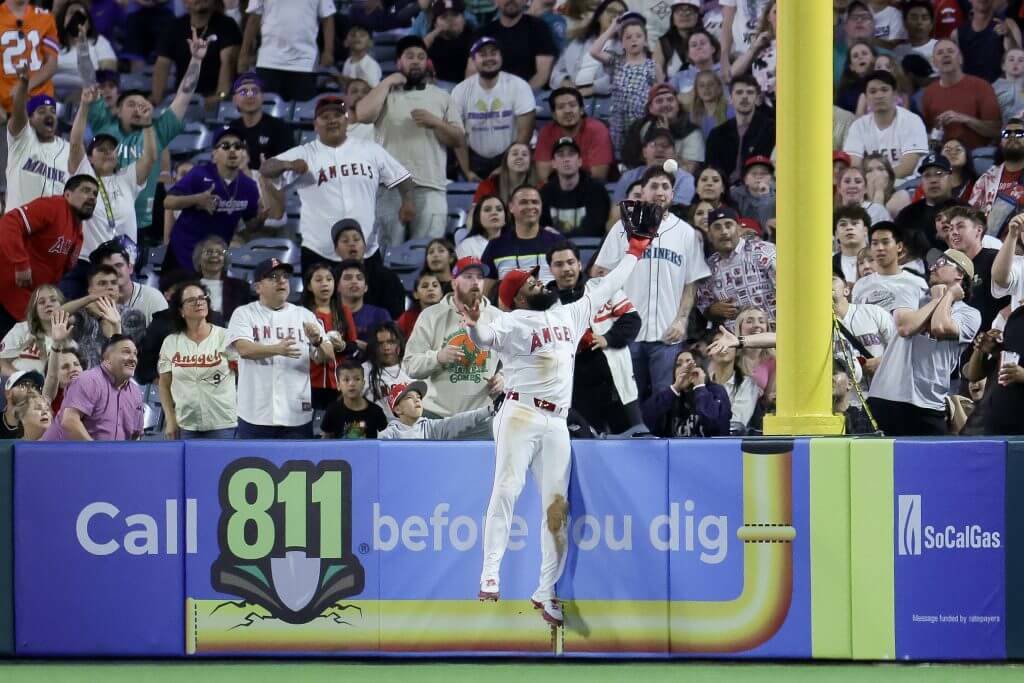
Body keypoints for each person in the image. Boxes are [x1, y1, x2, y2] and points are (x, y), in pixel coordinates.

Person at [467, 216, 655, 626]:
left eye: (537, 280)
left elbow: (607, 285)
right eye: (531, 283)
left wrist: (636, 249)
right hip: (519, 412)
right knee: (507, 489)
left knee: (557, 509)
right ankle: (490, 575)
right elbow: (484, 335)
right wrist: (476, 320)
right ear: (517, 298)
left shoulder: (569, 315)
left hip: (555, 422)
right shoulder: (513, 321)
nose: (540, 283)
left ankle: (545, 590)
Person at [85, 29, 212, 242]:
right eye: (131, 104)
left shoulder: (157, 131)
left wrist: (196, 60)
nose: (139, 109)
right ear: (117, 110)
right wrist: (81, 46)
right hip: (103, 217)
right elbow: (88, 79)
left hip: (142, 221)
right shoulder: (104, 125)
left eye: (143, 105)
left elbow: (184, 95)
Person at [261, 95, 413, 270]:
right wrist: (288, 164)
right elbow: (266, 168)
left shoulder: (370, 150)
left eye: (337, 115)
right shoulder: (304, 153)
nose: (332, 121)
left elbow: (402, 177)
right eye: (325, 117)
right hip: (319, 251)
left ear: (346, 120)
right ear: (315, 125)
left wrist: (408, 201)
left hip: (366, 249)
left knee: (369, 297)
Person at [596, 165, 709, 399]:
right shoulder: (622, 228)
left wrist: (681, 320)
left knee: (665, 400)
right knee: (627, 401)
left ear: (672, 194)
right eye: (654, 186)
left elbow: (691, 282)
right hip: (627, 335)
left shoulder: (686, 233)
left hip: (668, 334)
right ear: (643, 192)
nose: (660, 191)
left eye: (665, 186)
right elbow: (600, 273)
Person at [356, 35, 465, 244]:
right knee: (387, 252)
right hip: (389, 186)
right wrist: (388, 81)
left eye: (421, 57)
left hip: (431, 186)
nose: (416, 61)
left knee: (427, 254)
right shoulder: (384, 93)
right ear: (399, 62)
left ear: (427, 63)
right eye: (409, 56)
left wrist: (437, 123)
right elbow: (362, 115)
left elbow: (459, 140)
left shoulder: (442, 96)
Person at [867, 249, 981, 436]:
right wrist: (939, 299)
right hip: (886, 396)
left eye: (942, 264)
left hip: (929, 402)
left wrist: (950, 295)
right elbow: (905, 327)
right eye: (933, 264)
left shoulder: (969, 314)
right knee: (882, 464)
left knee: (931, 464)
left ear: (960, 274)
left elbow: (940, 327)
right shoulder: (911, 292)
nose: (933, 267)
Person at [226, 258, 333, 439]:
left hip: (296, 415)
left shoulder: (304, 315)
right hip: (254, 414)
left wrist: (318, 341)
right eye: (273, 277)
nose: (282, 281)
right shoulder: (244, 313)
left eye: (285, 276)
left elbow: (327, 356)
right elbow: (244, 349)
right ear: (258, 287)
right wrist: (277, 349)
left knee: (297, 466)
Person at [546, 242, 641, 434]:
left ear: (580, 264)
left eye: (570, 262)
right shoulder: (545, 303)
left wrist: (608, 338)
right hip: (575, 391)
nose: (566, 269)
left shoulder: (601, 286)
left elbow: (632, 319)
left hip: (616, 385)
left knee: (634, 442)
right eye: (559, 264)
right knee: (586, 448)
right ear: (551, 269)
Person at [65, 86, 155, 288]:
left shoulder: (127, 177)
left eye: (111, 149)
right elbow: (75, 143)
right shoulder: (84, 176)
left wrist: (148, 125)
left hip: (123, 264)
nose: (108, 153)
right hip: (88, 262)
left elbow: (149, 159)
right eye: (101, 149)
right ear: (90, 157)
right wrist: (85, 106)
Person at [404, 256, 503, 432]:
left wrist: (504, 378)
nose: (475, 282)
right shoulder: (430, 316)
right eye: (468, 276)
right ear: (453, 283)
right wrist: (438, 357)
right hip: (436, 416)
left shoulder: (498, 318)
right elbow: (411, 365)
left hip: (481, 418)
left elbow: (517, 362)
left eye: (479, 277)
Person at [0, 175, 97, 338]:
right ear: (67, 194)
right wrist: (21, 262)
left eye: (95, 194)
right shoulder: (53, 206)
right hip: (5, 293)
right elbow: (9, 223)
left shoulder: (78, 232)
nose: (92, 197)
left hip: (24, 307)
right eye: (86, 190)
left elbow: (58, 274)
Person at [163, 127, 267, 270]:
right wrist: (196, 199)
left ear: (244, 154)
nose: (232, 150)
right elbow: (168, 202)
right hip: (182, 252)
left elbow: (250, 226)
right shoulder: (199, 174)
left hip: (215, 258)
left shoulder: (249, 186)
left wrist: (260, 220)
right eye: (225, 146)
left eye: (238, 146)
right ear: (214, 154)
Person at [158, 281, 238, 440]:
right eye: (191, 300)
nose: (199, 302)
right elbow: (164, 384)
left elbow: (243, 375)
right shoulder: (171, 342)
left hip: (223, 424)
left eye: (202, 298)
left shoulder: (225, 336)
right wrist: (170, 419)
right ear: (181, 310)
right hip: (185, 424)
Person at [452, 37, 536, 181]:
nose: (489, 58)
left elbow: (525, 133)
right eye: (483, 55)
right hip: (473, 159)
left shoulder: (519, 86)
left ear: (501, 57)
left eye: (493, 53)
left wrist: (506, 166)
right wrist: (466, 171)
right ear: (473, 60)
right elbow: (457, 135)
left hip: (510, 155)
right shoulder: (460, 90)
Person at [41, 334, 143, 441]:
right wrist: (97, 454)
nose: (133, 359)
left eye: (135, 354)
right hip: (56, 454)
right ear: (107, 358)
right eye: (126, 352)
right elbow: (69, 421)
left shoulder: (135, 392)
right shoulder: (88, 380)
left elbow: (135, 436)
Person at [589, 12, 661, 156]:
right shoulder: (616, 61)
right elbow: (594, 51)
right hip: (618, 121)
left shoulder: (652, 66)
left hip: (642, 121)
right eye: (628, 37)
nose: (633, 40)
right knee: (621, 158)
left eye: (638, 36)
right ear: (622, 42)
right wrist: (611, 29)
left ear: (645, 40)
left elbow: (659, 93)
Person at [696, 205, 777, 331]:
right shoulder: (707, 268)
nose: (724, 231)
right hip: (738, 343)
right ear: (710, 236)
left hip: (775, 336)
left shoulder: (764, 251)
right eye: (717, 227)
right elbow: (704, 308)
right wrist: (713, 310)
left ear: (739, 230)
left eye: (729, 225)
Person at [237, 0, 336, 102]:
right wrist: (244, 54)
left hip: (304, 62)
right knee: (267, 110)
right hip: (269, 61)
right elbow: (254, 18)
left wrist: (328, 51)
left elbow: (328, 18)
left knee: (302, 111)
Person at [843, 69, 928, 183]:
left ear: (895, 94)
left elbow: (908, 167)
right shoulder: (858, 126)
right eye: (873, 91)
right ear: (866, 98)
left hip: (907, 183)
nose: (879, 95)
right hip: (869, 184)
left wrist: (880, 181)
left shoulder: (912, 121)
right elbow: (854, 164)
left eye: (884, 90)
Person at [151, 0, 241, 107]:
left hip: (216, 101)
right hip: (182, 99)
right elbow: (162, 64)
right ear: (184, 2)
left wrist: (219, 97)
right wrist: (157, 99)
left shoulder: (227, 25)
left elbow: (229, 62)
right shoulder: (173, 27)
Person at [6, 65, 68, 215]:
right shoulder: (22, 140)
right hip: (17, 226)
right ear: (30, 119)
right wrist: (24, 84)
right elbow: (19, 112)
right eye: (41, 112)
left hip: (50, 230)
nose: (49, 115)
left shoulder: (68, 149)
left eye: (53, 111)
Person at [921, 38, 1002, 152]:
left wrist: (965, 119)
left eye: (950, 51)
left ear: (960, 58)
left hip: (976, 156)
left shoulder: (981, 86)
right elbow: (927, 134)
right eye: (940, 53)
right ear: (934, 62)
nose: (946, 55)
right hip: (942, 157)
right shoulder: (929, 92)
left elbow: (996, 131)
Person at [481, 185, 564, 288]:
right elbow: (486, 290)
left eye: (535, 202)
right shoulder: (495, 246)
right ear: (511, 207)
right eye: (523, 202)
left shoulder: (558, 242)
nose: (530, 207)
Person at [301, 262, 359, 410]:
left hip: (339, 383)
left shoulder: (343, 311)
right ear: (308, 286)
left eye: (329, 279)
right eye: (318, 280)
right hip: (309, 382)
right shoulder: (302, 314)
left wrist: (342, 346)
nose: (325, 284)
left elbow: (352, 345)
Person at [943, 205, 1009, 331]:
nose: (953, 232)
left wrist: (1000, 325)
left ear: (978, 230)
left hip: (994, 343)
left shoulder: (995, 259)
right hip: (964, 345)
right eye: (951, 228)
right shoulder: (951, 270)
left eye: (960, 226)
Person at [642, 349, 731, 437]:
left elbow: (716, 426)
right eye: (678, 364)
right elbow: (650, 420)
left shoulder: (716, 391)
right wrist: (674, 389)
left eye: (689, 363)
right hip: (676, 450)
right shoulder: (670, 395)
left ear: (699, 368)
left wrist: (699, 387)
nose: (684, 367)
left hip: (708, 450)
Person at [621, 82, 705, 175]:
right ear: (651, 108)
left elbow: (688, 171)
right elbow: (630, 163)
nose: (665, 104)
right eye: (659, 101)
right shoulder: (641, 128)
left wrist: (667, 138)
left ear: (678, 106)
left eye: (670, 99)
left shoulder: (692, 133)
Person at [331, 218, 406, 320]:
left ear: (365, 246)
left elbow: (397, 317)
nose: (352, 244)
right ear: (336, 250)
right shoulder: (331, 279)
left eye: (356, 239)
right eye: (345, 241)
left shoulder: (387, 277)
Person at [706, 75, 776, 184]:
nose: (744, 96)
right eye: (739, 92)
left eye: (750, 92)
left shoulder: (772, 129)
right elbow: (711, 171)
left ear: (757, 98)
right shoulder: (717, 134)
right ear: (730, 99)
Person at [534, 87, 614, 183]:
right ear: (554, 115)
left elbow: (598, 176)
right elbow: (544, 176)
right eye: (561, 107)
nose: (567, 111)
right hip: (557, 190)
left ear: (581, 110)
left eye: (572, 105)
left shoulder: (597, 130)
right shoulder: (546, 132)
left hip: (590, 190)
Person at [549, 0, 627, 95]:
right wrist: (565, 82)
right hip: (569, 94)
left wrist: (592, 89)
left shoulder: (625, 48)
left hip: (603, 98)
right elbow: (556, 72)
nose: (616, 16)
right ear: (599, 16)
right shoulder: (578, 42)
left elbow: (620, 79)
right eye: (611, 11)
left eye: (621, 13)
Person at [475, 0, 557, 88]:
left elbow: (542, 75)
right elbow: (473, 70)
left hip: (531, 92)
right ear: (495, 1)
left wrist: (519, 97)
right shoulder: (484, 32)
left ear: (526, 1)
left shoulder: (539, 28)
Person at [539, 137, 610, 238]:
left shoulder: (596, 190)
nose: (566, 159)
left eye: (571, 154)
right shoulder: (545, 193)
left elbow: (595, 229)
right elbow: (542, 229)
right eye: (561, 155)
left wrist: (559, 236)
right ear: (553, 163)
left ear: (579, 161)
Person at [852, 221, 929, 312]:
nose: (880, 248)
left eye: (885, 242)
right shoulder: (860, 285)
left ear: (899, 246)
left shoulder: (917, 283)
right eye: (875, 243)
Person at [90, 240, 167, 327]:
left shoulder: (153, 298)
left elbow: (164, 337)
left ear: (130, 268)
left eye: (118, 265)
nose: (114, 271)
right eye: (107, 268)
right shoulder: (96, 301)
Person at [226, 73, 294, 172]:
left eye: (254, 91)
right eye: (243, 92)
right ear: (234, 100)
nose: (250, 96)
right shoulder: (232, 128)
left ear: (262, 97)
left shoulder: (280, 128)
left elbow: (288, 166)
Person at [379, 380, 493, 439]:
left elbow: (458, 421)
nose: (417, 400)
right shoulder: (389, 435)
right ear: (398, 409)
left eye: (419, 397)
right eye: (409, 398)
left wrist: (488, 410)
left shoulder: (430, 428)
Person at [0, 0, 58, 115]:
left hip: (41, 104)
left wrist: (25, 87)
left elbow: (51, 64)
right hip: (6, 106)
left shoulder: (46, 17)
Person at [612, 127, 696, 206]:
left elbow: (679, 211)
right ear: (644, 152)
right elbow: (616, 208)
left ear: (674, 153)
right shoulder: (628, 177)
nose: (660, 149)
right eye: (653, 144)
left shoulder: (685, 179)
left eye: (665, 145)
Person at [970, 119, 1024, 232]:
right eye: (1007, 133)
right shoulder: (986, 179)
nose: (1012, 136)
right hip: (989, 242)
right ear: (1001, 142)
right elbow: (972, 217)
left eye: (1019, 133)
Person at [949, 0, 1021, 84]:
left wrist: (1009, 36)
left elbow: (1019, 63)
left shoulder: (1008, 25)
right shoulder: (957, 34)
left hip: (1000, 92)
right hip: (969, 91)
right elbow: (953, 70)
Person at [893, 152, 954, 249]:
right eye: (927, 175)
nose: (933, 180)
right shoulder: (907, 214)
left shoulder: (963, 211)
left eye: (939, 174)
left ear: (951, 178)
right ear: (921, 181)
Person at [52, 1, 116, 91]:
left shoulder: (99, 42)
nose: (76, 19)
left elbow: (109, 73)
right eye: (72, 13)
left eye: (81, 16)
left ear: (88, 24)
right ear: (63, 20)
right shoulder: (51, 43)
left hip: (87, 92)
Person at [320, 360, 389, 439]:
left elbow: (386, 439)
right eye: (346, 380)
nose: (352, 384)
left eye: (357, 379)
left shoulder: (376, 411)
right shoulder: (332, 410)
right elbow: (325, 441)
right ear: (338, 385)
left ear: (363, 383)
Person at [192, 236, 252, 322]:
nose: (214, 255)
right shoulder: (188, 286)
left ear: (224, 260)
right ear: (199, 259)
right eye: (209, 252)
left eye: (219, 253)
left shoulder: (240, 287)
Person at [363, 321, 412, 418]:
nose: (386, 348)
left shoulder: (412, 365)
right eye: (380, 343)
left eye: (391, 342)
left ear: (399, 343)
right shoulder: (364, 369)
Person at [471, 142, 542, 206]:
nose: (520, 157)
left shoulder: (540, 187)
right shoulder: (488, 185)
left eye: (524, 154)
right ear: (505, 161)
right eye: (515, 154)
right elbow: (474, 214)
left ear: (530, 162)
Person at [338, 260, 392, 342]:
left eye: (359, 278)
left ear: (366, 287)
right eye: (348, 278)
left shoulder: (380, 315)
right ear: (337, 286)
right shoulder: (330, 314)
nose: (354, 282)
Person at [425, 0, 477, 85]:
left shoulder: (473, 37)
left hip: (463, 87)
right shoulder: (432, 39)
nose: (450, 20)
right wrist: (437, 31)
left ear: (463, 19)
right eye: (444, 17)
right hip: (436, 87)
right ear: (435, 23)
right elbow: (417, 49)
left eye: (455, 15)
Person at [653, 0, 703, 80]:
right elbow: (655, 76)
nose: (684, 15)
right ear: (672, 17)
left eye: (689, 10)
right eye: (679, 10)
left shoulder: (707, 40)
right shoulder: (663, 43)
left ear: (697, 16)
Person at [457, 195, 510, 259]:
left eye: (499, 209)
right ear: (478, 218)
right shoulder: (467, 245)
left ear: (505, 218)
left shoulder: (514, 243)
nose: (494, 213)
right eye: (487, 210)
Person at [397, 272, 444, 339]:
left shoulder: (451, 315)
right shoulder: (407, 318)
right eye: (425, 286)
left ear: (441, 293)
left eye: (435, 285)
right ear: (416, 294)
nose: (430, 289)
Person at [0, 370, 44, 439]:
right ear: (8, 393)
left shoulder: (40, 426)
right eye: (23, 385)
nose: (31, 390)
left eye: (35, 387)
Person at [833, 205, 871, 284]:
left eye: (854, 223)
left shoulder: (879, 259)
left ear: (865, 230)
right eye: (843, 224)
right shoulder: (829, 264)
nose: (849, 228)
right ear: (836, 234)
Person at [691, 69, 734, 139]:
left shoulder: (730, 111)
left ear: (719, 88)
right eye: (701, 85)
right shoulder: (692, 116)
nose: (706, 88)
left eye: (710, 84)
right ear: (697, 91)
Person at [341, 23, 382, 87]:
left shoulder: (371, 64)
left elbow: (375, 90)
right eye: (353, 35)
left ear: (370, 43)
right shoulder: (347, 62)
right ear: (346, 42)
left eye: (362, 35)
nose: (357, 37)